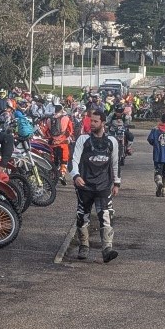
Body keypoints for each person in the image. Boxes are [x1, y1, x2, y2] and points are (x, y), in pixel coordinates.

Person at [70, 108, 121, 262]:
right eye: (90, 120)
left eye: (95, 121)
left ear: (103, 123)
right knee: (82, 216)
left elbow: (115, 163)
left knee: (106, 215)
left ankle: (107, 249)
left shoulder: (112, 141)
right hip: (84, 186)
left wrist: (117, 183)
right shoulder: (82, 139)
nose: (91, 124)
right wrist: (76, 176)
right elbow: (74, 160)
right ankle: (84, 246)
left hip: (104, 186)